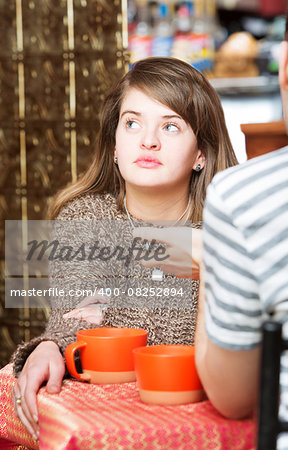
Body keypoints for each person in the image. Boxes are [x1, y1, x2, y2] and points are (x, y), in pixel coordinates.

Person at [10, 56, 237, 440]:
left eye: (171, 126)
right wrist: (51, 346)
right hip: (106, 425)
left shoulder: (229, 228)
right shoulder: (85, 216)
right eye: (132, 123)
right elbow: (78, 315)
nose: (148, 140)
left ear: (201, 154)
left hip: (201, 423)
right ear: (115, 144)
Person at [195, 1, 288, 449]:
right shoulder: (86, 217)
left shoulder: (241, 197)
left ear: (287, 62)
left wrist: (208, 257)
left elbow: (233, 396)